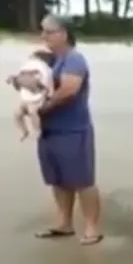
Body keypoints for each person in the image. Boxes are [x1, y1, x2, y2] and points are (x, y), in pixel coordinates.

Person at [33, 15, 102, 245]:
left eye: (48, 31)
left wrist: (45, 104)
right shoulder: (50, 61)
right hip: (50, 129)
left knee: (82, 181)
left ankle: (92, 228)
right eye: (43, 31)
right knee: (58, 180)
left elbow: (70, 89)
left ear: (63, 33)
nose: (43, 36)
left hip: (74, 130)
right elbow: (36, 83)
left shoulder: (74, 59)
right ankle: (64, 223)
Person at [7, 49, 56, 141]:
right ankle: (24, 131)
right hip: (26, 98)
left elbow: (48, 84)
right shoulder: (27, 70)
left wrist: (49, 95)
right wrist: (12, 80)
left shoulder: (43, 71)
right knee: (17, 114)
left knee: (33, 113)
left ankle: (39, 133)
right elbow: (20, 79)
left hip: (37, 99)